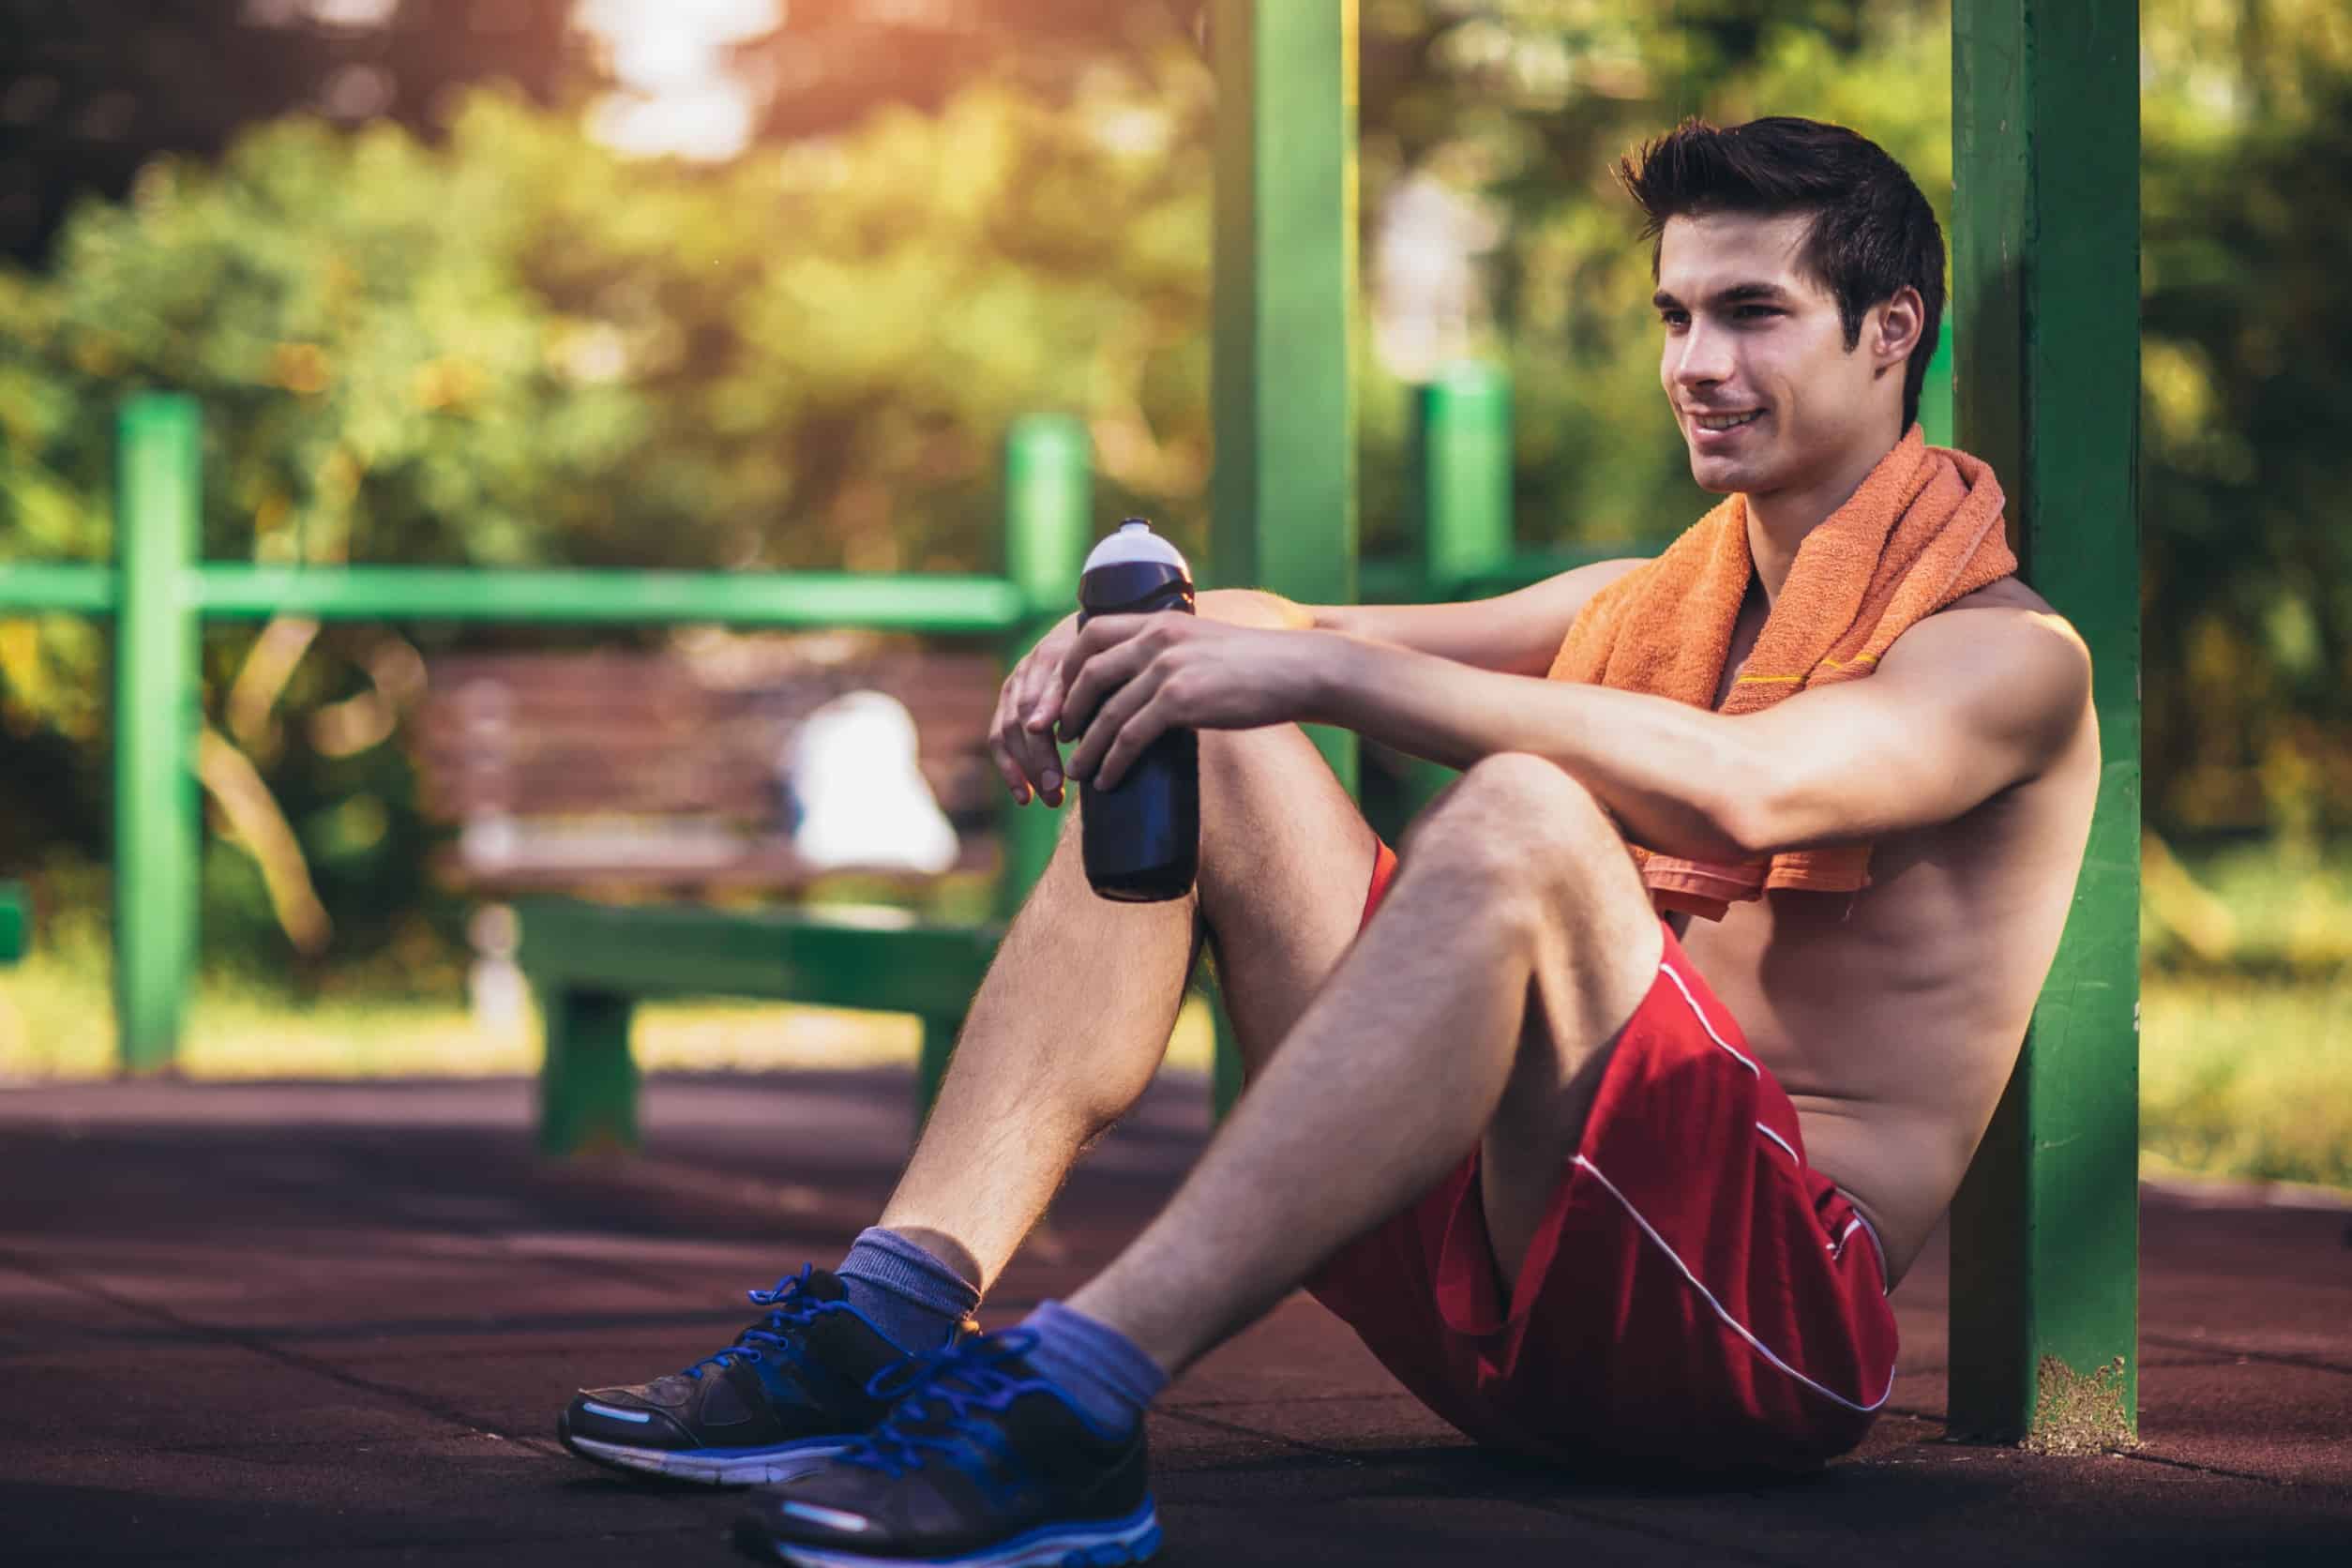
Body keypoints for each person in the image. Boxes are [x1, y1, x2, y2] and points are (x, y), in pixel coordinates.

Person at [558, 115, 2101, 1568]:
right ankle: (894, 1312)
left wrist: (1317, 667)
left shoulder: (2005, 662)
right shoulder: (1646, 603)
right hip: (1505, 1278)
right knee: (1203, 706)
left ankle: (1077, 1390)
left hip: (1744, 1334)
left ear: (1888, 329)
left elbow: (1746, 788)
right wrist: (1130, 644)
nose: (1697, 362)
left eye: (1753, 312)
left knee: (1516, 809)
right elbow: (1290, 633)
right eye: (1673, 317)